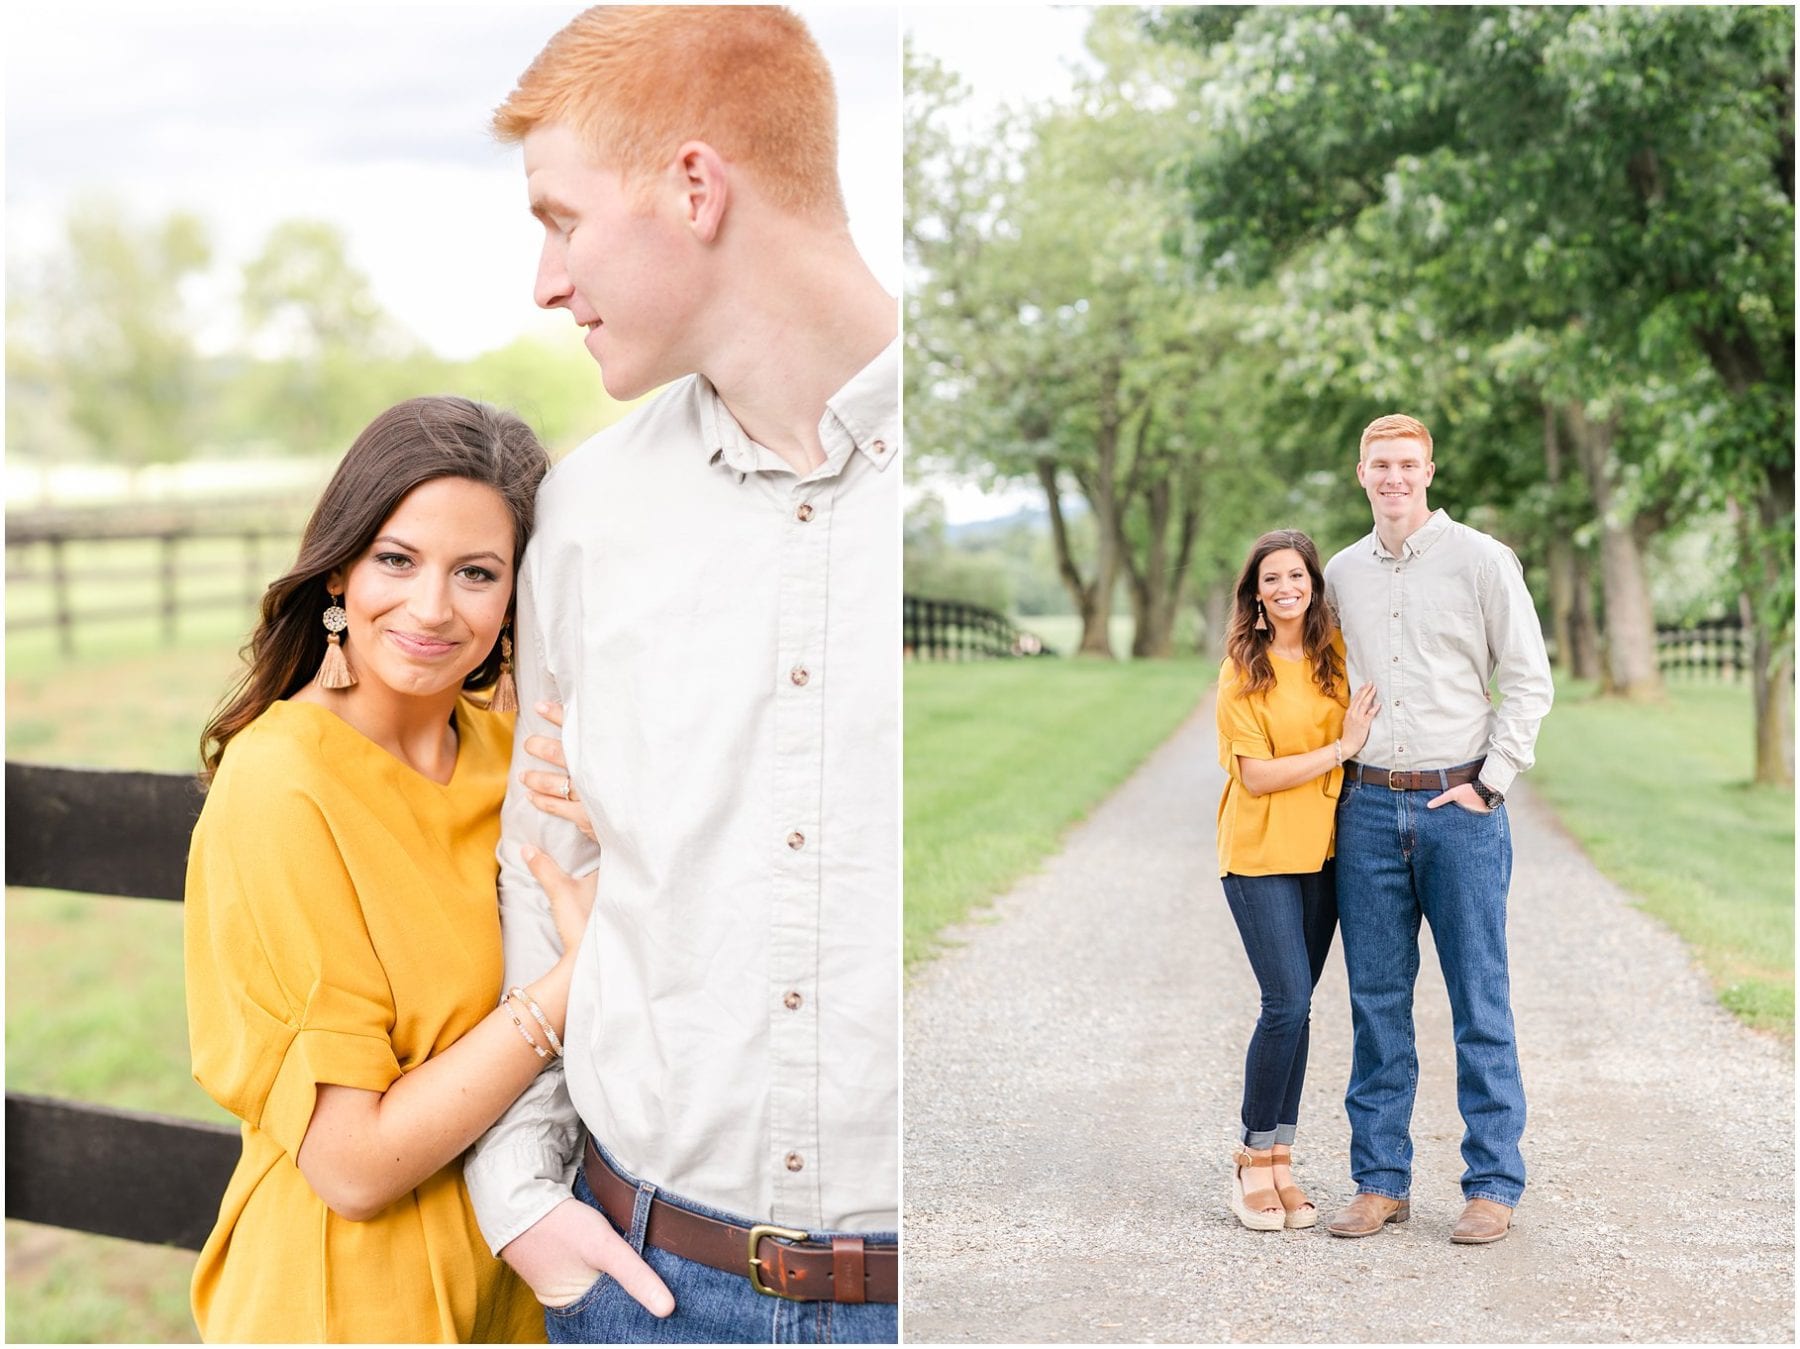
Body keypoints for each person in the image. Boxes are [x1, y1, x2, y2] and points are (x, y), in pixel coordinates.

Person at [462, 7, 900, 1343]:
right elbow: (542, 864)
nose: (545, 278)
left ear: (694, 187)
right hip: (649, 1292)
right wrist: (517, 1188)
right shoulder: (588, 515)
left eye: (562, 218)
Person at [183, 396, 636, 1341]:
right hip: (348, 1303)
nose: (432, 608)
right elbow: (353, 1166)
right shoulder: (283, 784)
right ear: (340, 568)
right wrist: (573, 982)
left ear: (517, 594)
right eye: (397, 559)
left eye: (476, 572)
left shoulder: (518, 758)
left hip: (522, 1293)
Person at [1322, 413, 1554, 1245]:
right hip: (1370, 808)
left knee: (1478, 998)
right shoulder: (1342, 572)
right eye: (1379, 464)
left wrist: (1492, 784)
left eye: (1407, 464)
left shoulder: (1482, 560)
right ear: (1361, 474)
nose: (1393, 477)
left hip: (1460, 806)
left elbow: (1528, 678)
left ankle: (1492, 1182)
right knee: (1376, 1001)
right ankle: (1379, 1180)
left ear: (1429, 471)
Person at [1214, 530, 1378, 1231]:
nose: (1286, 587)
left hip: (1325, 853)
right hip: (1259, 854)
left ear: (1313, 583)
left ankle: (1283, 1155)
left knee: (1301, 1005)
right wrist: (1341, 748)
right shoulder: (1242, 669)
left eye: (1297, 576)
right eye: (1271, 578)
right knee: (1283, 1001)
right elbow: (1255, 774)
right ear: (1256, 592)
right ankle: (1251, 1157)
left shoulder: (1333, 654)